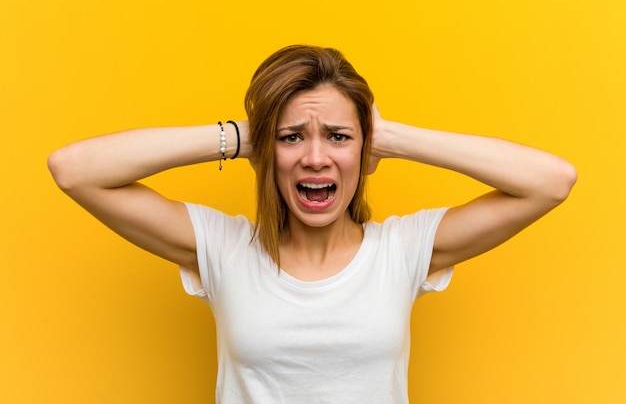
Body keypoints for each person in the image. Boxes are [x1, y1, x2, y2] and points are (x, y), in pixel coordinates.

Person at [48, 44, 577, 403]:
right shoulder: (224, 248)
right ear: (267, 151)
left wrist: (388, 138)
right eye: (292, 137)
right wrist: (242, 135)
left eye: (339, 138)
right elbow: (74, 171)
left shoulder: (402, 250)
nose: (316, 158)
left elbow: (551, 181)